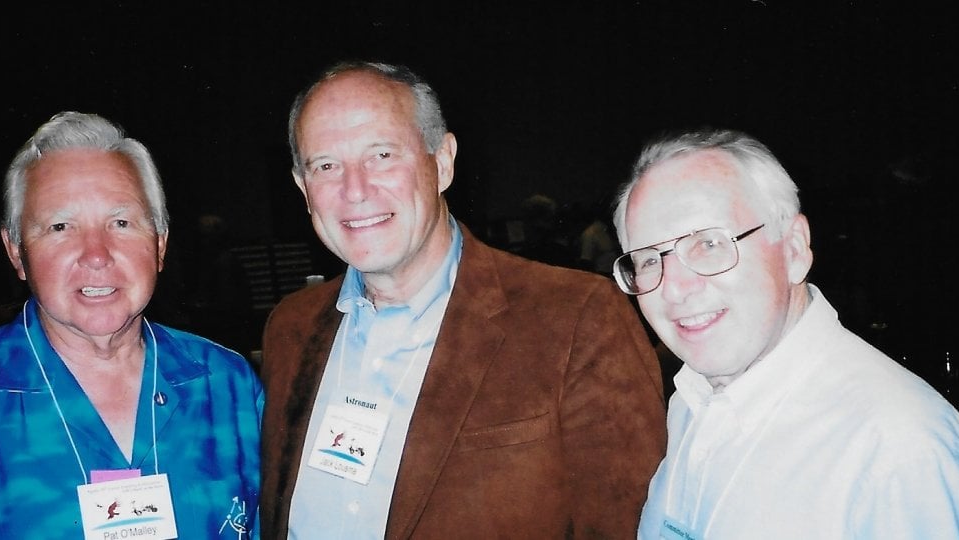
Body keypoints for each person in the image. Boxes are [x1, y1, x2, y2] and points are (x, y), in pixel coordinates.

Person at [258, 60, 667, 539]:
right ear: (303, 189)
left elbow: (624, 524)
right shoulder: (290, 327)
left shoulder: (576, 318)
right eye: (326, 166)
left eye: (382, 155)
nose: (355, 190)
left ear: (442, 162)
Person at [0, 112, 263, 539]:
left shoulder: (230, 387)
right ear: (16, 251)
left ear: (161, 243)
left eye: (121, 223)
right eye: (61, 226)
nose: (96, 254)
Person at [611, 128, 959, 539]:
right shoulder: (693, 400)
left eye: (709, 244)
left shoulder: (896, 451)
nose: (673, 288)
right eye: (647, 259)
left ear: (794, 249)